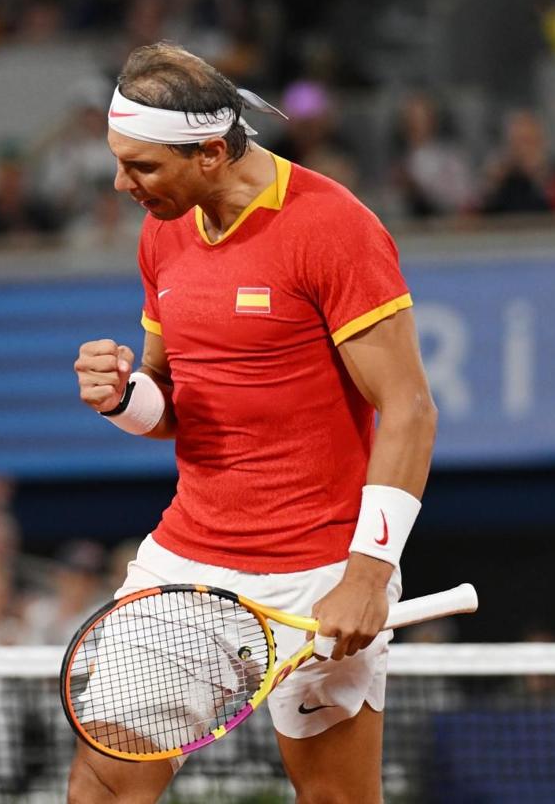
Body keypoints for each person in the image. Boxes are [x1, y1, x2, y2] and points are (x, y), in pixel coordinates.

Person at [71, 43, 437, 803]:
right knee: (103, 788)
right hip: (186, 569)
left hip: (323, 572)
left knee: (336, 796)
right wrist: (122, 398)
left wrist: (367, 577)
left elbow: (409, 409)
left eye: (140, 166)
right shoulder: (163, 228)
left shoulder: (335, 228)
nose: (120, 182)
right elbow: (175, 405)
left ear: (210, 151)